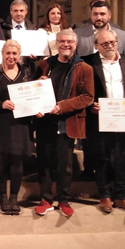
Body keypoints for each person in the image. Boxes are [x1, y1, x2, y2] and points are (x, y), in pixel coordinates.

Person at [32, 29, 94, 217]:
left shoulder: (84, 68)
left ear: (75, 44)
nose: (66, 45)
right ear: (56, 44)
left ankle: (64, 199)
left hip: (67, 123)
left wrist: (63, 106)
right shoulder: (44, 64)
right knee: (44, 162)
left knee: (65, 165)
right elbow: (32, 91)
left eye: (70, 42)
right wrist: (37, 83)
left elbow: (88, 97)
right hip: (45, 122)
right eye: (62, 41)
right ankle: (45, 199)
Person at [83, 29, 125, 214]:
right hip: (101, 118)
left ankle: (121, 196)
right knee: (102, 157)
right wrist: (91, 105)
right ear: (96, 45)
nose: (109, 46)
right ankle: (105, 195)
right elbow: (83, 90)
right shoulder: (87, 63)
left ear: (117, 42)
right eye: (105, 43)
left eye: (112, 42)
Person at [0, 40, 33, 215]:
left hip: (20, 123)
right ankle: (3, 197)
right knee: (1, 160)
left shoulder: (26, 71)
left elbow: (33, 95)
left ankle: (14, 198)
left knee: (18, 161)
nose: (11, 57)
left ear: (19, 55)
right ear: (2, 54)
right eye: (8, 53)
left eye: (14, 53)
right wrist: (1, 104)